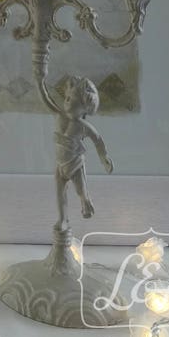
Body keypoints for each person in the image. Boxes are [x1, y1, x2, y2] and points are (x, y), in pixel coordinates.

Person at [54, 76, 113, 230]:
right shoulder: (61, 116)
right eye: (66, 97)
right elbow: (47, 100)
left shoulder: (82, 126)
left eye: (72, 99)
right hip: (60, 165)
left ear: (84, 107)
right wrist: (40, 84)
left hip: (75, 163)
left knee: (81, 190)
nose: (66, 100)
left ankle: (85, 202)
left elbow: (98, 140)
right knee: (60, 193)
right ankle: (62, 220)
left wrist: (104, 158)